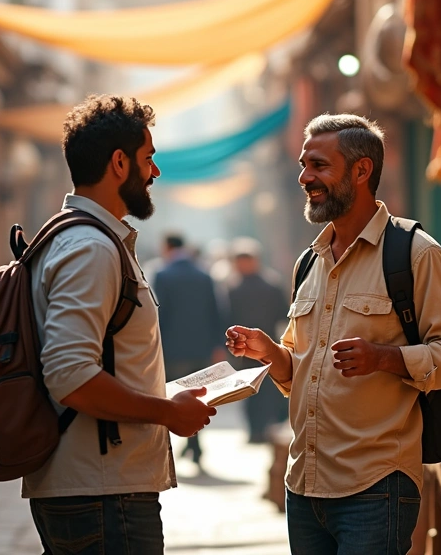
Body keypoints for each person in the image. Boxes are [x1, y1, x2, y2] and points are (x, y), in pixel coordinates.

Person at [226, 114, 441, 555]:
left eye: (319, 166)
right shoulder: (310, 262)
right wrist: (271, 353)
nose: (306, 177)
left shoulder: (416, 253)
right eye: (304, 165)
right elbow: (300, 367)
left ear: (362, 171)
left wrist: (384, 357)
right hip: (303, 487)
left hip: (375, 487)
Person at [26, 94, 216, 555]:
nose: (155, 172)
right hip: (101, 494)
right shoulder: (89, 249)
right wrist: (166, 413)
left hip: (99, 488)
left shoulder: (84, 239)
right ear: (118, 162)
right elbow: (70, 376)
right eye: (148, 158)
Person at [152, 232, 226, 468]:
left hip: (173, 349)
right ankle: (195, 444)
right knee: (198, 396)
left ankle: (189, 444)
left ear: (167, 247)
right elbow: (216, 311)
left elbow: (158, 315)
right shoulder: (204, 275)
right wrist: (217, 345)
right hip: (201, 347)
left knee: (177, 396)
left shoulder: (162, 275)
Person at [225, 237, 289, 443]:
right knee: (247, 389)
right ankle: (255, 430)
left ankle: (264, 428)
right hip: (243, 348)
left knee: (268, 389)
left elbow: (284, 314)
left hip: (267, 346)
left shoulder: (270, 285)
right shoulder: (233, 288)